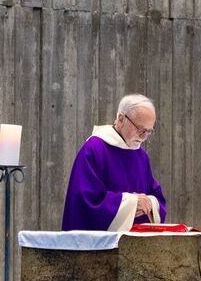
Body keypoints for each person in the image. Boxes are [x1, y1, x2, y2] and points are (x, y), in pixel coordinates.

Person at [60, 94, 168, 231]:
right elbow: (86, 201)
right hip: (99, 246)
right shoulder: (94, 150)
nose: (144, 137)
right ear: (121, 119)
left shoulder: (141, 156)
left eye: (149, 131)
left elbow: (157, 198)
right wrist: (132, 203)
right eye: (141, 129)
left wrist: (149, 203)